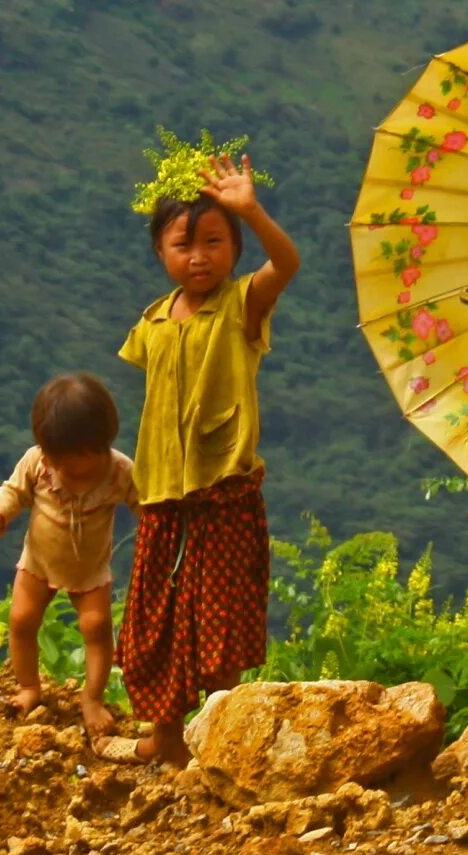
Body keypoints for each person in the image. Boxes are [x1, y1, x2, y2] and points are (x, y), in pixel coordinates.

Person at [100, 154, 300, 767]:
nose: (199, 257)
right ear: (160, 252)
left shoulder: (242, 305)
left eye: (215, 242)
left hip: (222, 491)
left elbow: (287, 264)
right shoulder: (154, 320)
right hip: (162, 495)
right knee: (155, 625)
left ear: (236, 249)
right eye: (182, 244)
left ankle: (222, 746)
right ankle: (164, 738)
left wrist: (252, 209)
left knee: (220, 625)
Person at [0, 373, 138, 737]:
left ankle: (93, 698)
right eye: (55, 458)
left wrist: (157, 536)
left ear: (98, 446)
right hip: (37, 563)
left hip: (90, 571)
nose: (61, 468)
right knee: (21, 620)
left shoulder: (118, 471)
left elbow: (143, 504)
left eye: (70, 460)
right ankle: (29, 687)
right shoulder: (38, 462)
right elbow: (13, 491)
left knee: (96, 628)